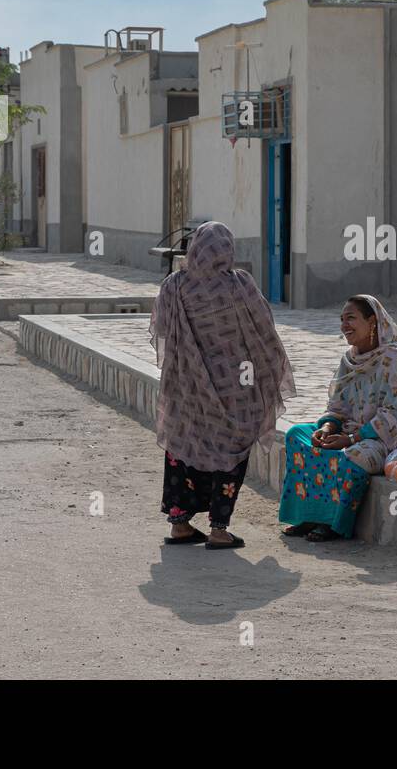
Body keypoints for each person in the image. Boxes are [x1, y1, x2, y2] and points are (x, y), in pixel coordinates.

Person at [149, 221, 295, 550]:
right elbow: (265, 331)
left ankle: (181, 524)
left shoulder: (174, 285)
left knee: (182, 447)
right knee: (231, 450)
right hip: (236, 389)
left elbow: (160, 329)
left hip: (187, 386)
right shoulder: (239, 285)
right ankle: (218, 528)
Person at [280, 294, 397, 542]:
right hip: (349, 432)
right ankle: (307, 517)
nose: (344, 326)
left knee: (355, 456)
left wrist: (351, 438)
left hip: (386, 440)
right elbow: (338, 405)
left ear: (372, 322)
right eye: (342, 320)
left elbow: (396, 416)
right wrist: (329, 428)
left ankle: (333, 523)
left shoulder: (395, 360)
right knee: (297, 436)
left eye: (351, 318)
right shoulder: (349, 360)